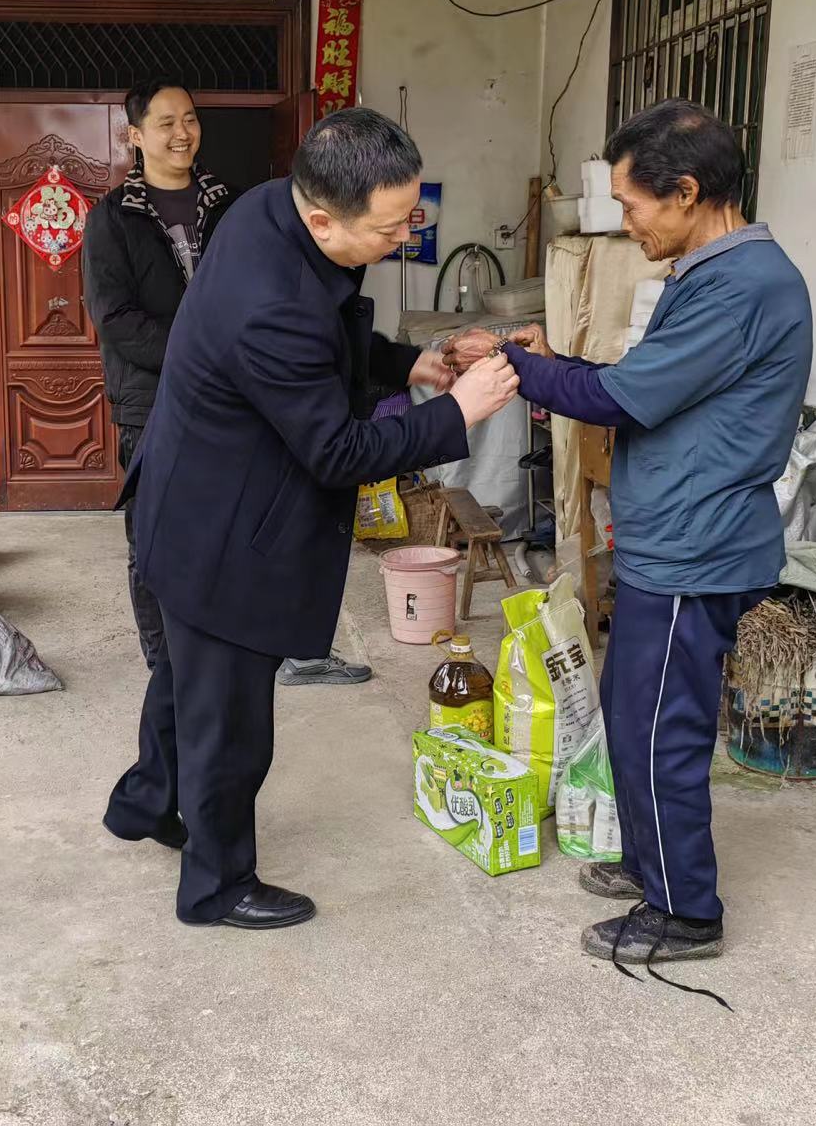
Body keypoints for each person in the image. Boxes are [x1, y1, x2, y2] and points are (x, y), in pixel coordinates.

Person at [103, 107, 521, 929]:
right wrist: (457, 412)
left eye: (410, 217)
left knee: (186, 683)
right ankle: (215, 887)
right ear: (325, 218)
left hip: (189, 495)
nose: (402, 238)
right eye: (390, 228)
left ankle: (146, 801)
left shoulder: (270, 207)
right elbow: (336, 450)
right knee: (229, 723)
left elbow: (326, 342)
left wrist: (415, 363)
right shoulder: (270, 301)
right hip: (220, 529)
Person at [447, 100, 812, 990]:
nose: (627, 221)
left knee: (659, 732)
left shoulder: (741, 285)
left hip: (695, 547)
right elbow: (645, 383)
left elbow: (618, 398)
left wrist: (517, 365)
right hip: (673, 539)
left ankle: (685, 910)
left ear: (685, 192)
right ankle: (652, 865)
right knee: (634, 713)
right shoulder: (712, 272)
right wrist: (551, 357)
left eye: (631, 203)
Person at [82, 77, 377, 688]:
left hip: (250, 398)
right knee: (157, 540)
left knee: (260, 525)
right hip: (153, 403)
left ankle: (286, 646)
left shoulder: (233, 205)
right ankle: (168, 669)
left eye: (189, 119)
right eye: (165, 123)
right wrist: (208, 354)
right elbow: (117, 321)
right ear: (135, 135)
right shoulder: (113, 219)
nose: (182, 132)